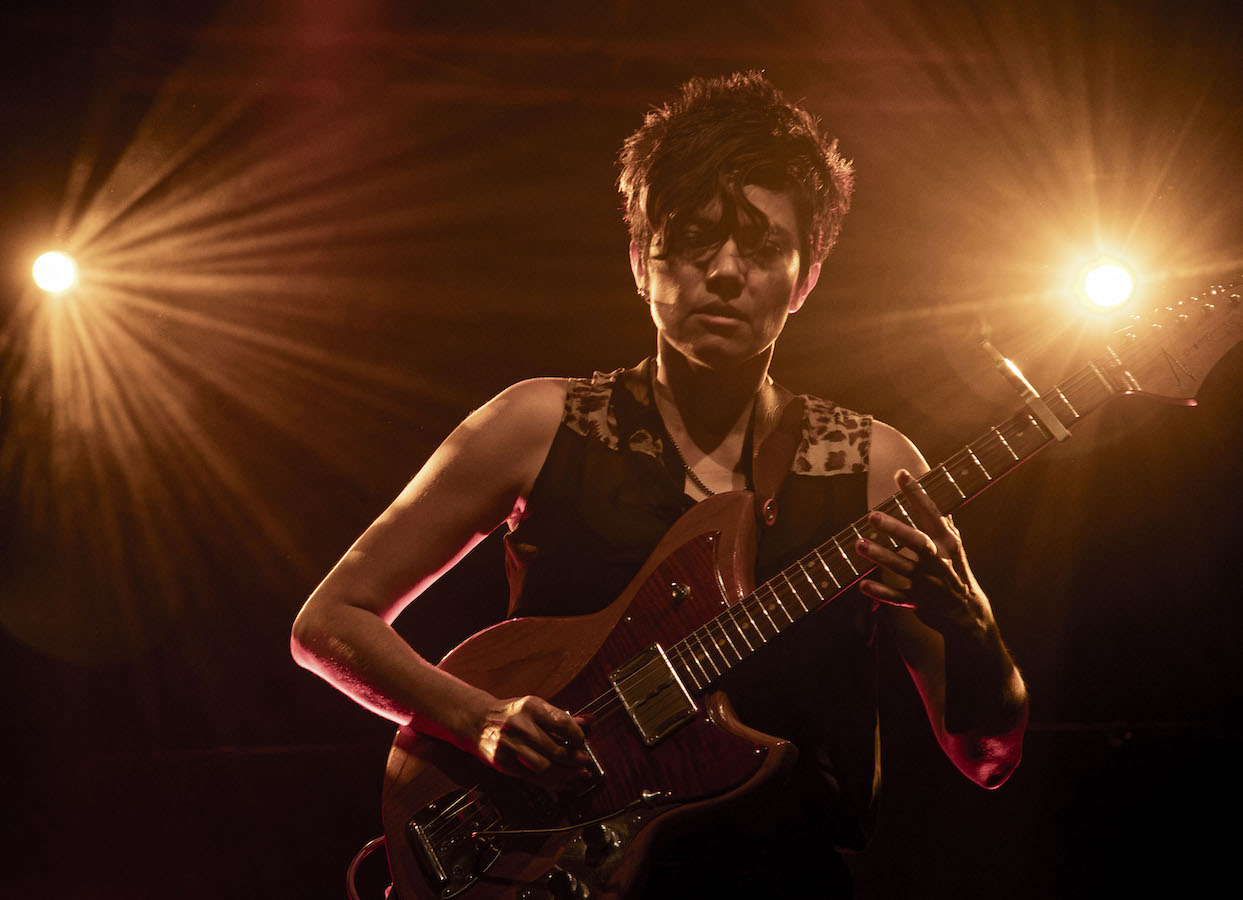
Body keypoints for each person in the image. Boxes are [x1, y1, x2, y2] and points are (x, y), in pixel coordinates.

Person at [292, 71, 1028, 897]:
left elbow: (988, 758)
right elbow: (329, 620)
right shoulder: (536, 424)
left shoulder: (876, 469)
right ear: (641, 260)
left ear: (807, 278)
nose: (722, 272)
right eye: (692, 239)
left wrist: (967, 621)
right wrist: (479, 719)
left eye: (759, 248)